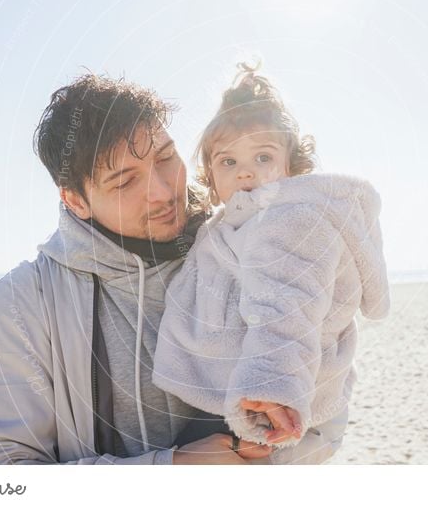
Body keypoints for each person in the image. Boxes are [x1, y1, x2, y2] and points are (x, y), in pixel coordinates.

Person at [0, 74, 273, 464]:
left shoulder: (245, 247)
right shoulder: (19, 306)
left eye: (166, 158)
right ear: (75, 200)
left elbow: (323, 415)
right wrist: (175, 469)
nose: (162, 190)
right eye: (124, 182)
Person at [152, 63, 391, 464]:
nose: (245, 170)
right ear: (210, 175)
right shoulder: (236, 223)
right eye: (227, 162)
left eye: (262, 156)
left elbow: (286, 308)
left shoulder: (288, 219)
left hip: (271, 394)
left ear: (292, 167)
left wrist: (271, 387)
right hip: (265, 389)